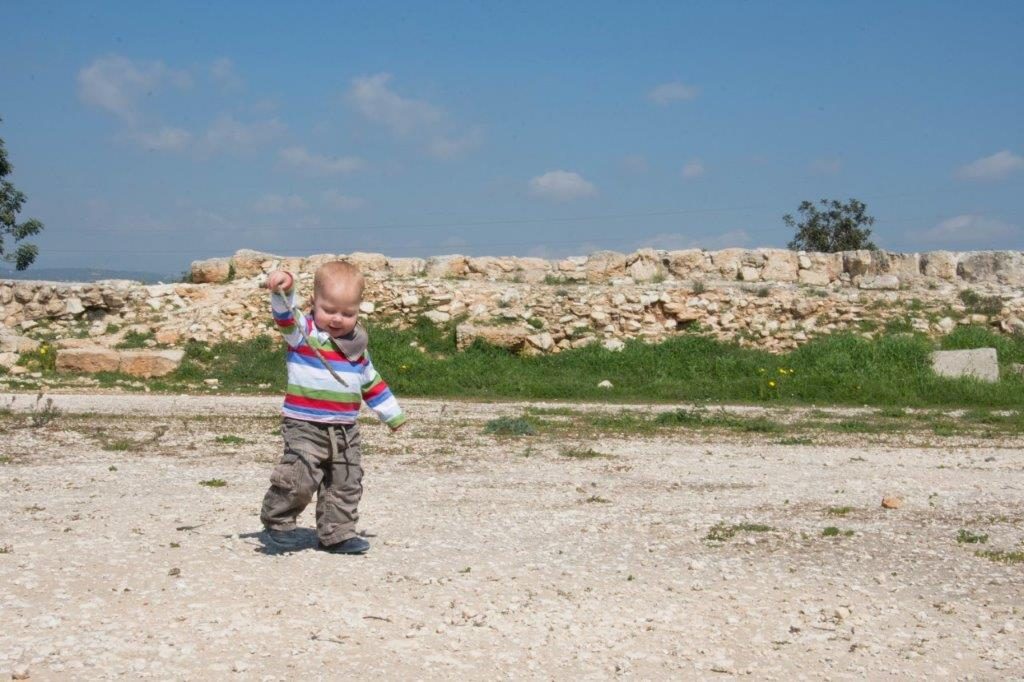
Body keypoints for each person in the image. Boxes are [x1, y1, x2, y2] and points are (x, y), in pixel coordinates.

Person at [259, 261, 406, 554]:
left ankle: (337, 533)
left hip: (345, 428)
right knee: (299, 476)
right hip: (304, 424)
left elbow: (371, 383)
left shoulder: (356, 348)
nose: (338, 319)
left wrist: (392, 414)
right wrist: (284, 286)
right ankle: (279, 520)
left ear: (358, 311)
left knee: (345, 481)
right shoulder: (303, 333)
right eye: (330, 310)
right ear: (314, 303)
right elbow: (284, 315)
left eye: (348, 313)